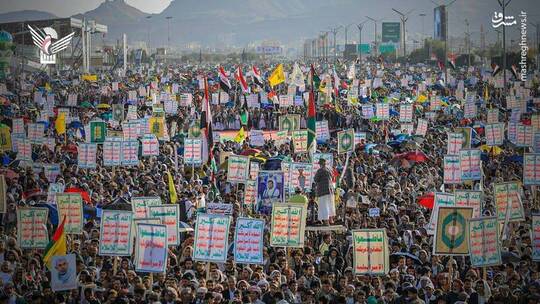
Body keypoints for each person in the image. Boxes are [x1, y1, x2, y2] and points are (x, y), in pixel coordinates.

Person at [313, 158, 335, 225]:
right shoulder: (330, 169)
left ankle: (326, 222)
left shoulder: (320, 170)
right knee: (330, 205)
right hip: (331, 190)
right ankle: (331, 220)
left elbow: (315, 179)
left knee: (324, 206)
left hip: (323, 191)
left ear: (321, 164)